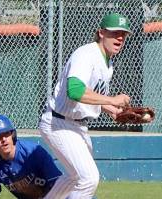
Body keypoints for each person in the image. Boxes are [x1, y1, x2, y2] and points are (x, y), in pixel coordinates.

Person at [39, 13, 132, 199]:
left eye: (123, 33)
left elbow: (89, 93)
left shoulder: (108, 62)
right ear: (101, 33)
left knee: (74, 178)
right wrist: (112, 100)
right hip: (58, 123)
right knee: (88, 179)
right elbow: (75, 91)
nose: (120, 37)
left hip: (76, 126)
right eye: (114, 33)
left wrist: (110, 109)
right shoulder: (86, 54)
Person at [0, 114, 63, 199]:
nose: (4, 139)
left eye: (6, 134)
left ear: (12, 135)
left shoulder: (33, 152)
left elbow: (56, 182)